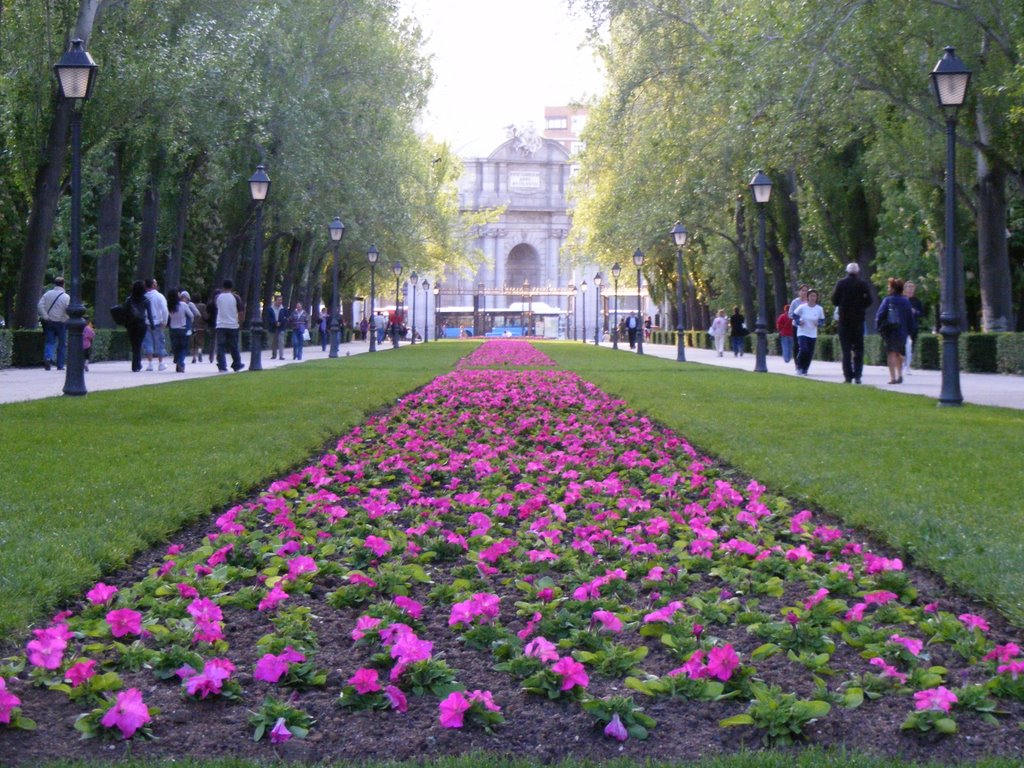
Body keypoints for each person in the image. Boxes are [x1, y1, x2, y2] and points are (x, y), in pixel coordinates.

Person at [831, 262, 873, 384]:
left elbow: (834, 299)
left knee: (846, 350)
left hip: (844, 320)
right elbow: (869, 300)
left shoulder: (841, 283)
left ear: (847, 271)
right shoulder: (862, 284)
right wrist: (861, 307)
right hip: (858, 320)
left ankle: (848, 376)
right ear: (858, 271)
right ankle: (858, 375)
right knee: (859, 349)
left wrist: (843, 305)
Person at [875, 277, 915, 385]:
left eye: (889, 287)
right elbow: (910, 317)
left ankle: (893, 378)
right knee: (899, 353)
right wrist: (910, 331)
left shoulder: (887, 300)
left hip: (890, 331)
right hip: (903, 332)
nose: (888, 289)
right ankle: (900, 375)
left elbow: (879, 316)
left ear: (893, 289)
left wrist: (879, 328)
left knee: (891, 354)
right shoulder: (906, 301)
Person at [37, 276, 70, 371]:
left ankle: (48, 358)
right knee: (62, 344)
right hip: (61, 323)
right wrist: (66, 318)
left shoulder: (47, 294)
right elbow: (68, 310)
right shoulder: (66, 297)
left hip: (49, 322)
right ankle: (60, 365)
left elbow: (40, 305)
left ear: (54, 284)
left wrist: (46, 316)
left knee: (49, 342)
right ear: (63, 284)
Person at [213, 279, 245, 372]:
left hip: (221, 324)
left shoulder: (217, 297)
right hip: (233, 325)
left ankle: (222, 366)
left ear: (223, 287)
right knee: (234, 346)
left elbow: (216, 306)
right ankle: (237, 364)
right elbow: (241, 312)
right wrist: (240, 322)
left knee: (220, 346)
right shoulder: (236, 297)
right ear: (231, 287)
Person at [792, 289, 825, 375]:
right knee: (803, 349)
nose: (813, 298)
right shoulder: (802, 307)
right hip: (802, 332)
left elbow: (822, 320)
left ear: (817, 297)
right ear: (808, 297)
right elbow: (794, 315)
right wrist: (799, 322)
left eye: (814, 296)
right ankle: (799, 366)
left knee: (810, 352)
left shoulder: (819, 309)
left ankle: (805, 369)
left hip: (813, 334)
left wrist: (819, 323)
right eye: (811, 296)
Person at [142, 278, 169, 371]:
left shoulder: (143, 296)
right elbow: (164, 310)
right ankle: (161, 363)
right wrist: (165, 321)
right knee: (159, 343)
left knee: (147, 343)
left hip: (146, 322)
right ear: (153, 285)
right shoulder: (159, 296)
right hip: (158, 322)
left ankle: (150, 364)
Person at [124, 280, 152, 372]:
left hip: (131, 324)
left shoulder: (129, 300)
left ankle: (136, 364)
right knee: (138, 344)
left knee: (134, 345)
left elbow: (125, 312)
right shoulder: (146, 300)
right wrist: (152, 325)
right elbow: (150, 314)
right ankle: (137, 364)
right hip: (141, 324)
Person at [167, 289, 197, 373]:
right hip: (182, 328)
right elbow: (191, 315)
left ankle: (177, 360)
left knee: (176, 347)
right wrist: (190, 323)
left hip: (173, 329)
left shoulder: (169, 306)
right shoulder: (183, 305)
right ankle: (180, 362)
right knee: (184, 347)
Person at [904, 281, 925, 375]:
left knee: (911, 346)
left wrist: (915, 312)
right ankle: (902, 365)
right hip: (902, 327)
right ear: (904, 289)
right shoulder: (901, 299)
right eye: (909, 287)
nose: (911, 289)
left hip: (913, 327)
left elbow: (922, 313)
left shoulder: (917, 301)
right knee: (903, 346)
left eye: (912, 287)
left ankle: (907, 366)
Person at [788, 284, 809, 369]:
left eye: (806, 291)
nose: (804, 292)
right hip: (796, 326)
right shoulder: (795, 302)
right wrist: (798, 320)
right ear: (799, 292)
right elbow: (790, 314)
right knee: (797, 345)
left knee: (806, 346)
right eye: (802, 290)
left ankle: (804, 364)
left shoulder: (809, 302)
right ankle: (797, 364)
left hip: (807, 327)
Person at [264, 294, 288, 359]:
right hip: (273, 327)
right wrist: (275, 323)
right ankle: (274, 355)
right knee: (273, 342)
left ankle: (281, 355)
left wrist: (281, 323)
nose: (280, 301)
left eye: (281, 300)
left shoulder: (283, 309)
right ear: (275, 301)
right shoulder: (270, 309)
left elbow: (286, 318)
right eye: (279, 300)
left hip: (281, 327)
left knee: (281, 341)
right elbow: (268, 318)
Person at [190, 294, 208, 364]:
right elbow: (205, 316)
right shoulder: (203, 306)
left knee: (193, 342)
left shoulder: (190, 305)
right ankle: (200, 352)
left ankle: (194, 357)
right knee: (200, 342)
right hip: (201, 326)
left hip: (192, 326)